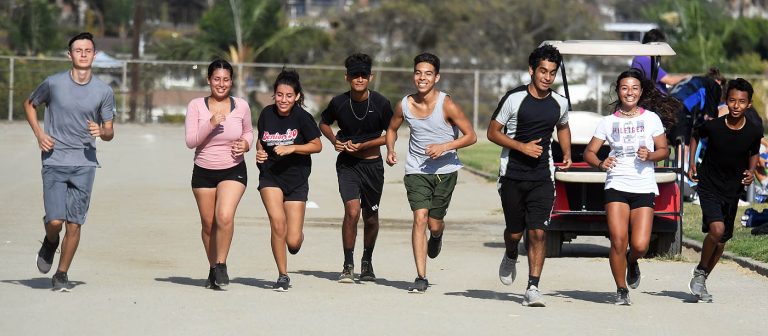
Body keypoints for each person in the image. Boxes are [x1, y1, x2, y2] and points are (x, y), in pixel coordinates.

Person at [24, 32, 115, 291]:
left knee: (75, 222)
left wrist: (102, 131)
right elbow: (30, 105)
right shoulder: (53, 83)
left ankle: (61, 273)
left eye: (88, 50)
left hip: (85, 164)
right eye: (78, 50)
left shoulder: (104, 91)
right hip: (54, 160)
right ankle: (50, 241)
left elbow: (109, 131)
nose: (83, 54)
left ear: (94, 55)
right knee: (55, 221)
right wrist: (40, 134)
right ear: (70, 55)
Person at [487, 44, 571, 307]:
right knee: (514, 233)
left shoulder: (560, 102)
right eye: (543, 71)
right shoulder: (514, 99)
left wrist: (567, 152)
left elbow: (564, 125)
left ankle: (532, 287)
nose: (547, 77)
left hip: (543, 177)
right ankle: (511, 253)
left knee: (537, 233)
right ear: (531, 70)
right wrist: (521, 147)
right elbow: (493, 132)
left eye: (552, 73)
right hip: (512, 174)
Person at [385, 52, 476, 293]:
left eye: (427, 74)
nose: (422, 78)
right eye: (418, 73)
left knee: (434, 225)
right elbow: (391, 129)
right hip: (416, 170)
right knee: (420, 218)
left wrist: (444, 147)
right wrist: (391, 149)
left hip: (445, 172)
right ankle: (421, 276)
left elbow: (471, 136)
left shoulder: (447, 104)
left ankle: (436, 237)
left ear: (436, 77)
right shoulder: (404, 104)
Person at [583, 69, 669, 305]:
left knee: (639, 245)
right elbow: (588, 152)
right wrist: (601, 163)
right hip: (617, 184)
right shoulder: (608, 122)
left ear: (641, 92)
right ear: (618, 91)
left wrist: (651, 155)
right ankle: (621, 289)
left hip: (643, 186)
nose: (629, 92)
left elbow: (665, 150)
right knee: (619, 240)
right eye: (624, 88)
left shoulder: (651, 118)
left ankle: (632, 261)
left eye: (634, 88)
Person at [319, 53, 394, 283]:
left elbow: (390, 134)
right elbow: (323, 122)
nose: (359, 79)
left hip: (372, 166)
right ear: (347, 77)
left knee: (370, 217)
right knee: (352, 211)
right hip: (348, 165)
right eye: (354, 75)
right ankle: (348, 264)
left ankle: (367, 261)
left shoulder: (381, 103)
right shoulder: (339, 102)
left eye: (363, 74)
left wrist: (365, 145)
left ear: (370, 76)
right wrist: (334, 140)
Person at [687, 78, 763, 302]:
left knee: (721, 242)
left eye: (741, 102)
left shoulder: (753, 130)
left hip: (733, 189)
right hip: (709, 184)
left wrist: (750, 172)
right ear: (726, 102)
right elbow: (695, 135)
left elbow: (754, 152)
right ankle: (701, 270)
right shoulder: (714, 126)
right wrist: (692, 162)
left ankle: (701, 281)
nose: (736, 106)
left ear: (749, 104)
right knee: (717, 230)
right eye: (732, 101)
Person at [185, 59, 253, 290]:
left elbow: (248, 132)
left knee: (224, 216)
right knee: (208, 225)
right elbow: (191, 141)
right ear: (208, 80)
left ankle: (221, 263)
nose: (221, 84)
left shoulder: (242, 105)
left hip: (233, 169)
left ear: (231, 82)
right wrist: (211, 123)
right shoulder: (196, 106)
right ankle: (213, 268)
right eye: (216, 79)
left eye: (226, 79)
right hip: (203, 171)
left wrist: (245, 144)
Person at [256, 69, 322, 292]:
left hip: (297, 181)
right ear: (274, 95)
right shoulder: (266, 114)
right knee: (277, 223)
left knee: (292, 242)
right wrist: (259, 154)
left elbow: (317, 146)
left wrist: (292, 147)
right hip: (270, 176)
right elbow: (261, 142)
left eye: (289, 96)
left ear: (297, 97)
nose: (284, 100)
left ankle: (297, 236)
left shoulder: (303, 118)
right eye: (280, 95)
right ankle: (282, 275)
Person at [631, 28, 688, 94]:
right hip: (655, 100)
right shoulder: (644, 60)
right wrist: (689, 77)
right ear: (655, 45)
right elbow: (670, 80)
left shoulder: (642, 58)